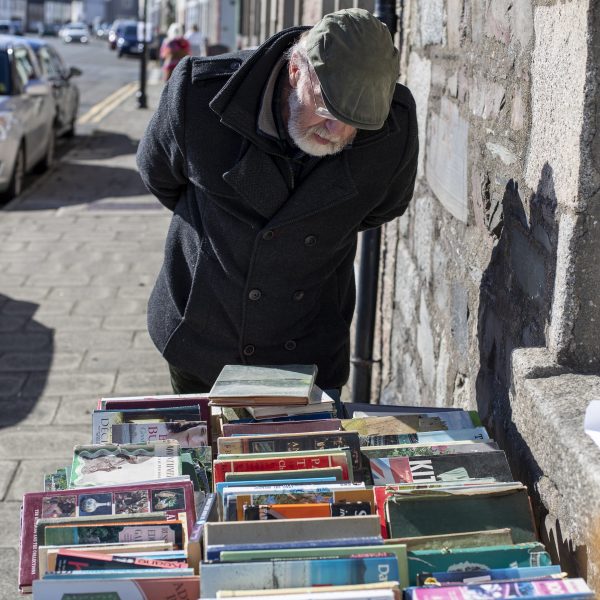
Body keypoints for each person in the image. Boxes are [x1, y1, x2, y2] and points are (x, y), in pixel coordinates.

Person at [137, 8, 418, 396]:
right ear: (295, 71)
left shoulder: (392, 127)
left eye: (354, 121)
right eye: (326, 108)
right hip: (203, 336)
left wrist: (312, 231)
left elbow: (384, 206)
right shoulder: (198, 95)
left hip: (308, 348)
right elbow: (159, 176)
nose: (336, 131)